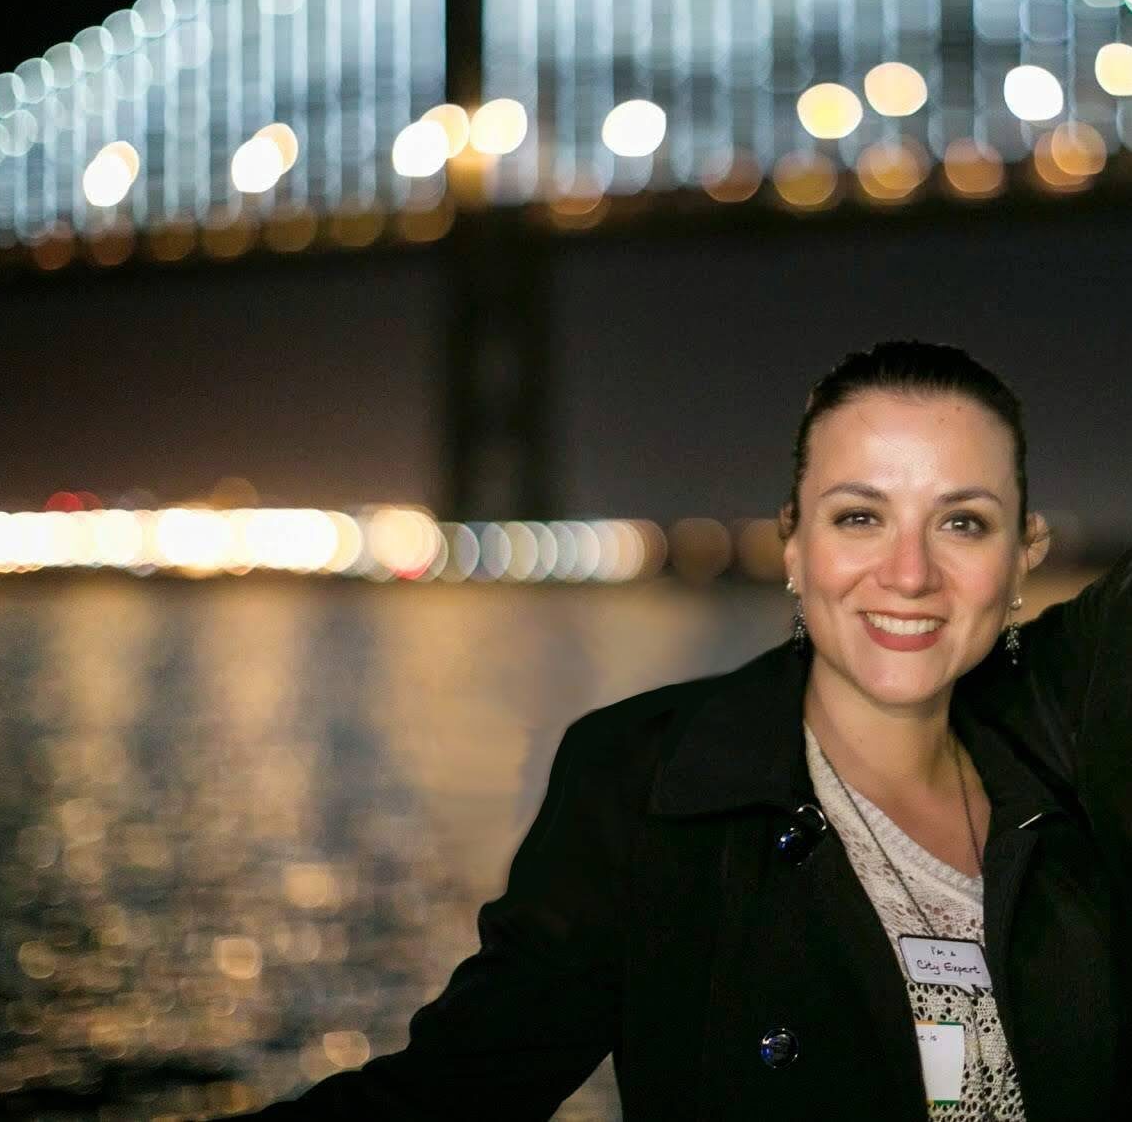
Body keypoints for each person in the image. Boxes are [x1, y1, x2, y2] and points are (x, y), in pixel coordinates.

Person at [234, 341, 1130, 1120]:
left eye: (962, 523)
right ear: (791, 544)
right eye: (859, 517)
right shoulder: (651, 780)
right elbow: (450, 1097)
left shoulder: (1067, 740)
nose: (908, 572)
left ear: (1024, 558)